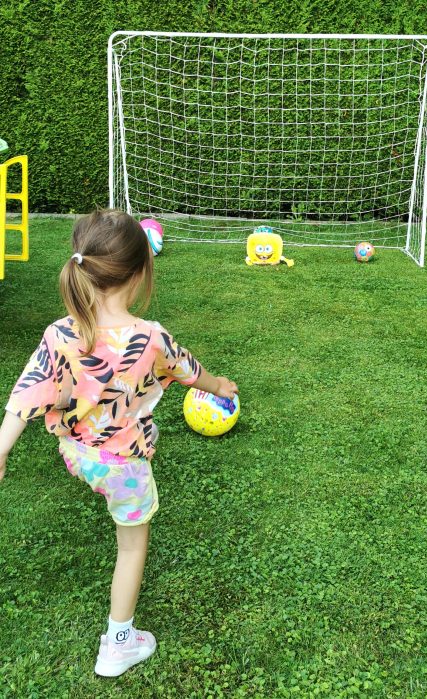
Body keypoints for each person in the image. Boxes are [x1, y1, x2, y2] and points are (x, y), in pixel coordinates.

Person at [0, 209, 238, 677]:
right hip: (124, 467)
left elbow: (28, 392)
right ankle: (119, 643)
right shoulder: (150, 338)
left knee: (114, 454)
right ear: (141, 271)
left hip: (78, 455)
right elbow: (190, 372)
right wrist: (220, 386)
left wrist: (2, 448)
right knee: (131, 547)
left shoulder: (59, 334)